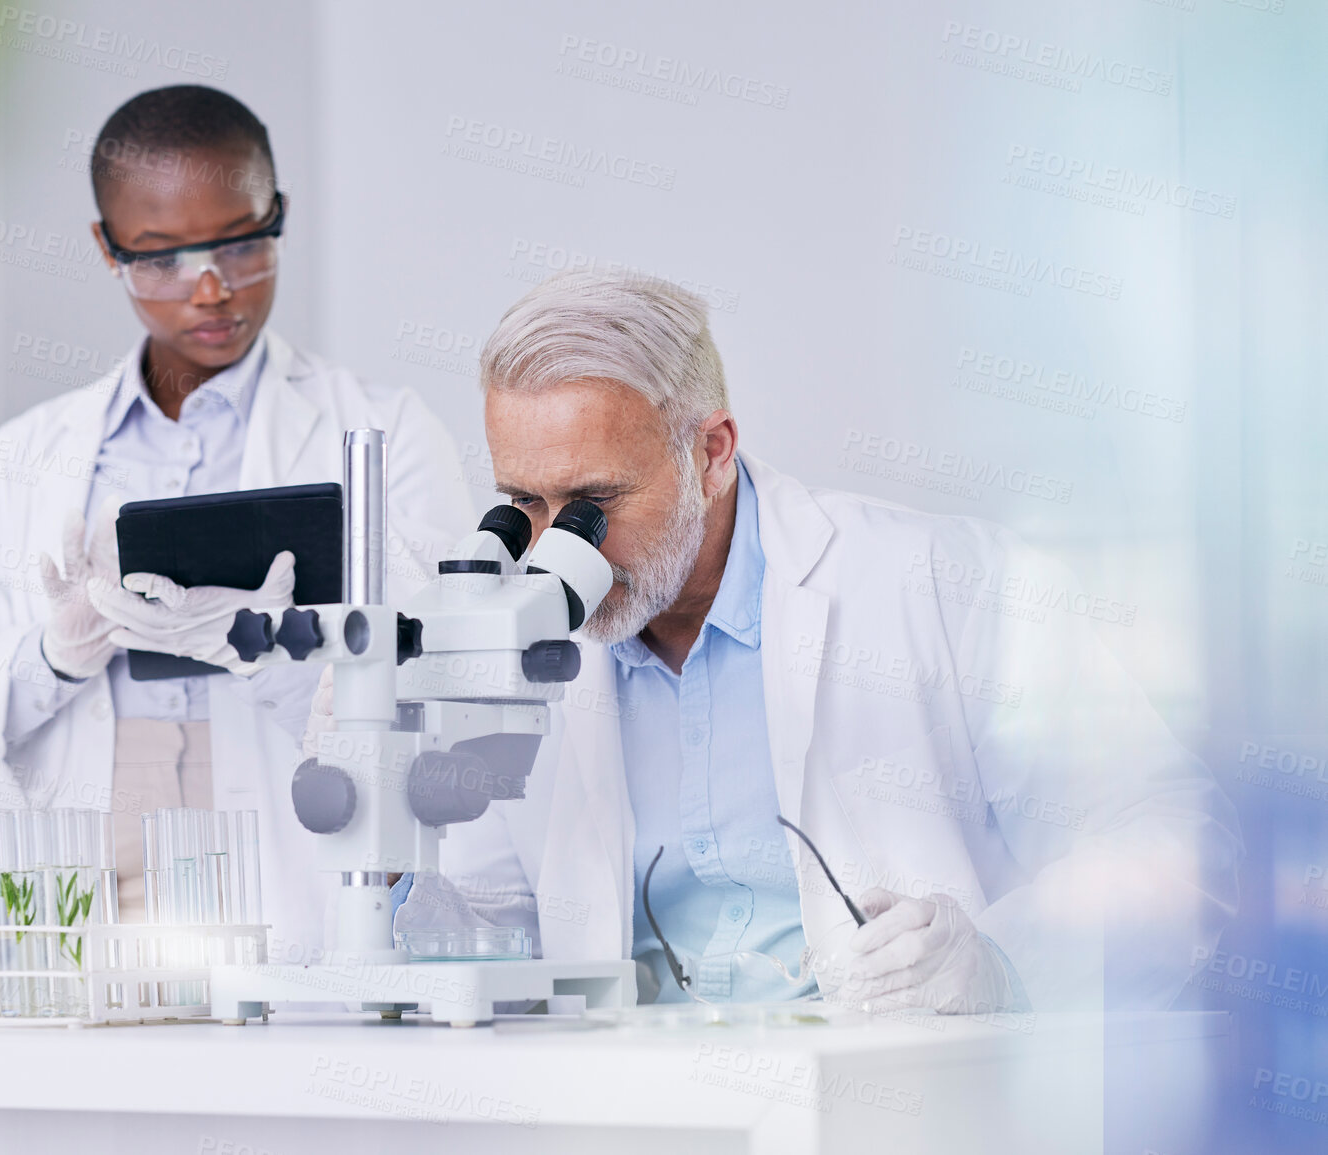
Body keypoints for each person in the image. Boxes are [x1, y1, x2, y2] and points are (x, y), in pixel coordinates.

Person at [423, 271, 1240, 1013]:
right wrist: (399, 838)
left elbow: (1175, 841)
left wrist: (1001, 964)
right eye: (524, 502)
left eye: (593, 503)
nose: (559, 547)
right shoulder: (520, 637)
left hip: (894, 1112)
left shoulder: (942, 581)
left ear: (711, 452)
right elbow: (492, 918)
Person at [0, 86, 473, 957]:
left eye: (241, 244)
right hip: (90, 883)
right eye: (161, 257)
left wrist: (271, 647)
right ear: (108, 247)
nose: (210, 288)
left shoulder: (385, 435)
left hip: (295, 874)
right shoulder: (20, 459)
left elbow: (445, 696)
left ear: (278, 217)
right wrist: (54, 653)